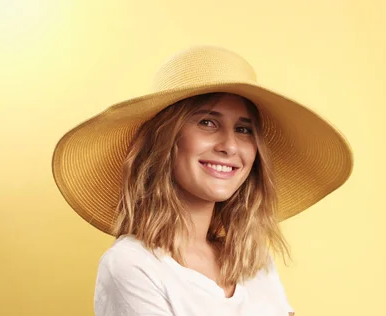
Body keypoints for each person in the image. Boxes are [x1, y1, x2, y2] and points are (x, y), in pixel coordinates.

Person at [52, 45, 354, 316]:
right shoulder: (132, 266)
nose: (230, 146)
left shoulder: (252, 258)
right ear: (165, 140)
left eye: (244, 129)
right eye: (207, 122)